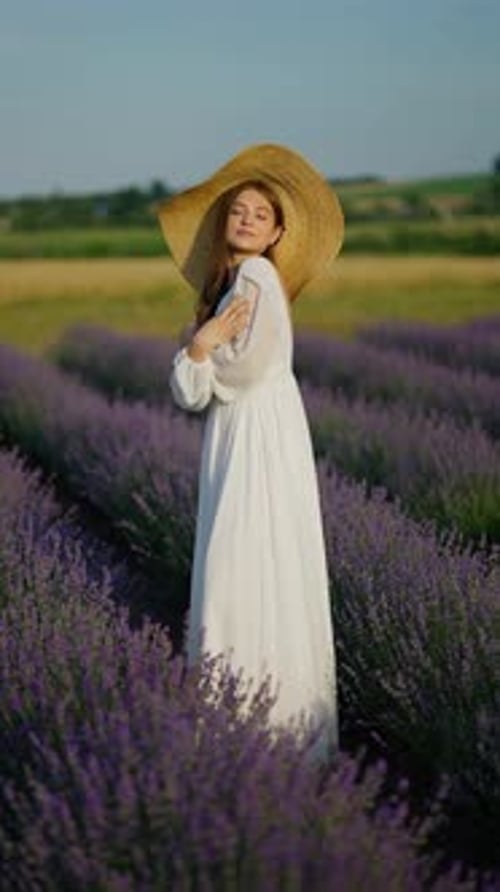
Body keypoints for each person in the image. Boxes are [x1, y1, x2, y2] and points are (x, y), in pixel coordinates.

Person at [156, 143, 344, 761]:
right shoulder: (231, 283)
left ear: (276, 234)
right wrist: (203, 349)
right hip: (242, 434)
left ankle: (243, 730)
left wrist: (202, 348)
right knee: (254, 565)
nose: (244, 219)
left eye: (260, 214)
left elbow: (241, 371)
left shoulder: (257, 277)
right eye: (238, 209)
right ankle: (264, 726)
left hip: (256, 435)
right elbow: (193, 387)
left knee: (240, 564)